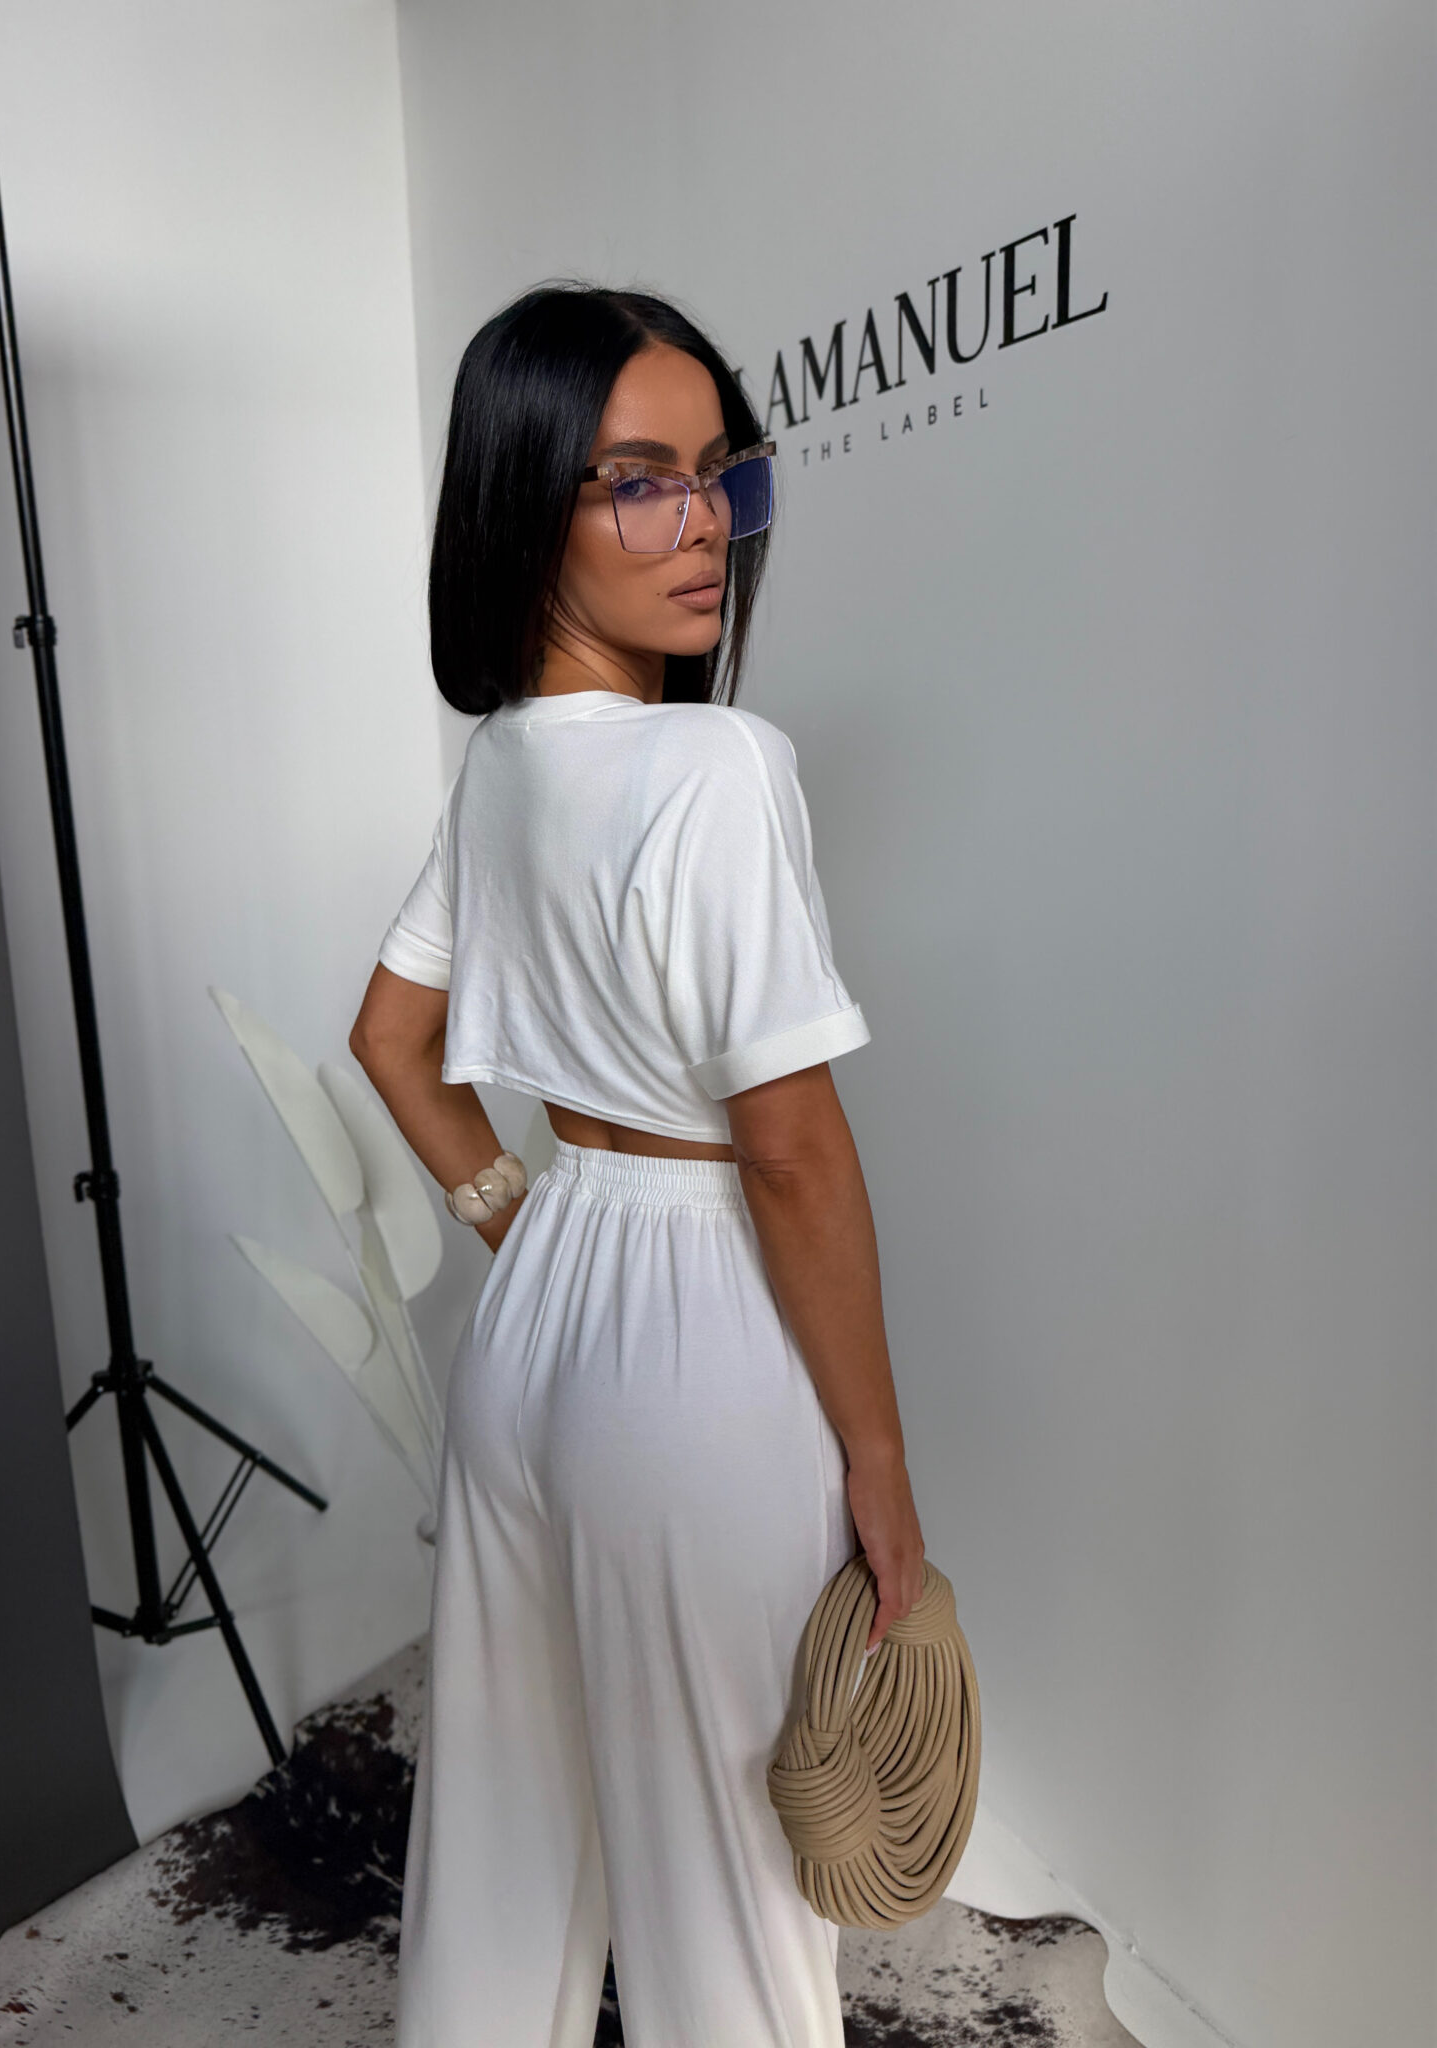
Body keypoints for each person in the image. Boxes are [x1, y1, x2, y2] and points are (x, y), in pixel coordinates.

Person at [349, 280, 925, 2048]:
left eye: (720, 473)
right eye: (639, 480)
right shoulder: (717, 763)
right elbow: (791, 1153)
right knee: (734, 1910)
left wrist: (519, 1221)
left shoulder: (501, 769)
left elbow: (389, 1037)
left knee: (503, 1857)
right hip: (692, 1335)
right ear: (526, 506)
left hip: (534, 1328)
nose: (706, 527)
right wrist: (881, 1466)